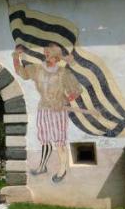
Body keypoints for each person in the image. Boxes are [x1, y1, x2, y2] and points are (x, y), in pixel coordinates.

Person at [12, 42, 82, 182]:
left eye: (50, 52)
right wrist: (16, 57)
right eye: (46, 51)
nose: (46, 53)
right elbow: (22, 72)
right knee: (44, 140)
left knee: (59, 142)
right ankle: (42, 166)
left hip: (58, 111)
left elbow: (76, 90)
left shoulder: (63, 73)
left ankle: (62, 169)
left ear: (57, 57)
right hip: (43, 109)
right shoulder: (37, 69)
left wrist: (66, 100)